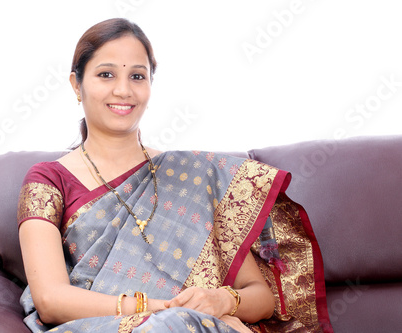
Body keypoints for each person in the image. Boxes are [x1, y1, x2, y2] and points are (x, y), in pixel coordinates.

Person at [17, 18, 332, 333]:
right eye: (106, 74)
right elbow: (50, 299)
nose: (123, 89)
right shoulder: (48, 180)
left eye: (137, 76)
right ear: (76, 84)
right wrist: (163, 309)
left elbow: (262, 297)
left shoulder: (190, 178)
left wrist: (222, 302)